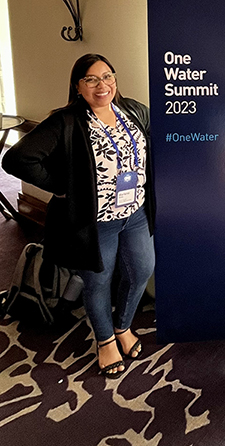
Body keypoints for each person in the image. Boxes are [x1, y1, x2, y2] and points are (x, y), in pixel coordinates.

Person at [2, 54, 155, 379]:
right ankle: (105, 341)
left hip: (136, 212)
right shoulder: (68, 121)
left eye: (108, 76)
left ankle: (122, 327)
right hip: (95, 221)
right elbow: (17, 159)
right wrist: (60, 186)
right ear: (77, 86)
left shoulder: (134, 110)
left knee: (142, 269)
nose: (103, 85)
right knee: (98, 281)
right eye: (92, 79)